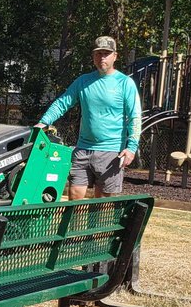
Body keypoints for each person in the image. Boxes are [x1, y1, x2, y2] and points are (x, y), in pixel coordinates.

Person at [37, 36, 142, 198]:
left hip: (111, 152)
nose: (102, 57)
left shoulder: (124, 83)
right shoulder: (83, 81)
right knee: (74, 200)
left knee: (102, 207)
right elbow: (62, 103)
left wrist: (131, 148)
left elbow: (135, 117)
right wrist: (43, 122)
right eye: (98, 53)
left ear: (115, 56)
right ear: (93, 56)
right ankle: (74, 225)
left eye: (106, 53)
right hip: (83, 150)